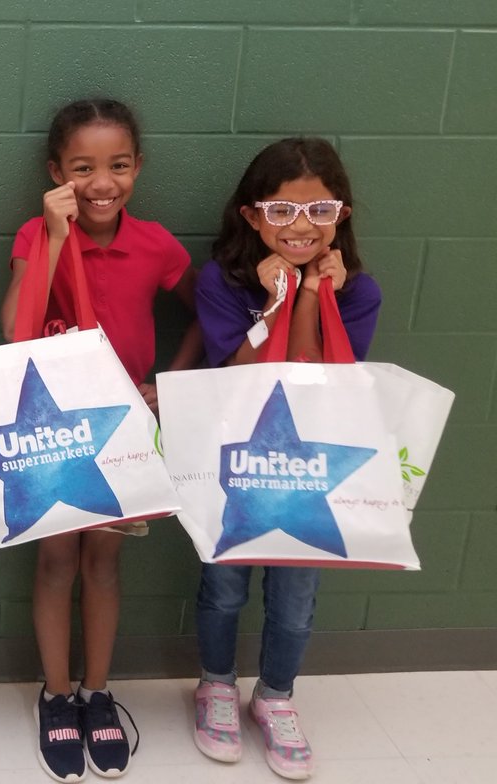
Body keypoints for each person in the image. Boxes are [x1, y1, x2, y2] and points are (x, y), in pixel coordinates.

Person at [0, 98, 202, 781]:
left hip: (127, 434)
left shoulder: (157, 244)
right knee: (56, 563)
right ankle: (56, 695)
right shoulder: (37, 235)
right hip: (55, 432)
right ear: (57, 172)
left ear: (138, 168)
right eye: (83, 168)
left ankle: (97, 693)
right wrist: (55, 239)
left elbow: (209, 314)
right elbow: (15, 334)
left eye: (118, 166)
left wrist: (170, 385)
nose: (102, 182)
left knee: (105, 567)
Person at [191, 137, 381, 781]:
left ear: (342, 214)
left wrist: (307, 298)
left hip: (311, 472)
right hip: (235, 458)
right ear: (251, 217)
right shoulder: (221, 280)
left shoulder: (358, 293)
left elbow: (318, 377)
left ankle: (275, 697)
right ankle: (216, 686)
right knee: (223, 587)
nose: (301, 227)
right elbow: (235, 374)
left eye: (319, 211)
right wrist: (273, 301)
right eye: (281, 212)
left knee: (296, 593)